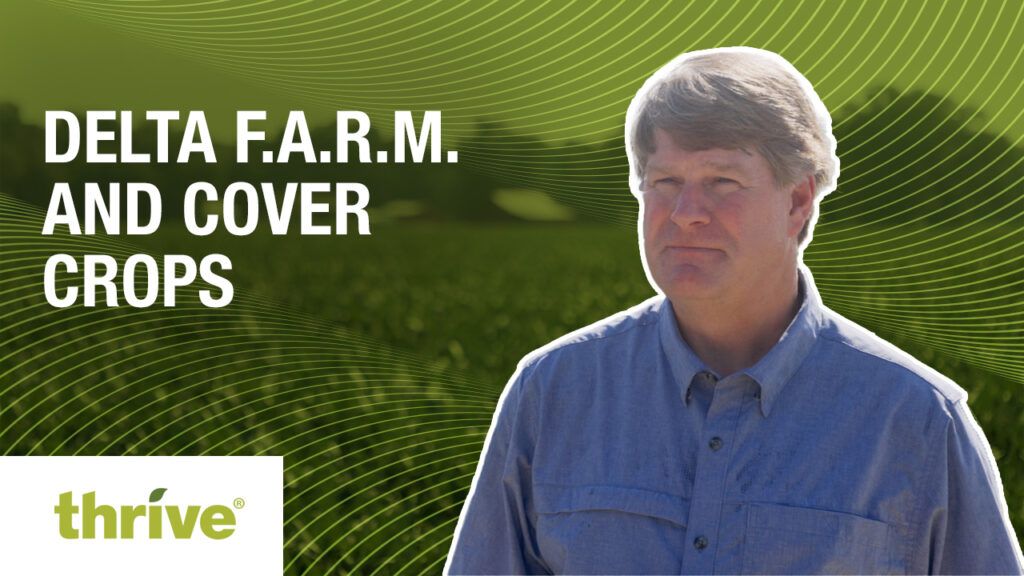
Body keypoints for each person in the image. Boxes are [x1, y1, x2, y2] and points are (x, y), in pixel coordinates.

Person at [444, 47, 1023, 574]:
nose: (686, 212)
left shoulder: (918, 420)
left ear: (799, 201)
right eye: (664, 181)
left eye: (722, 181)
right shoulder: (553, 392)